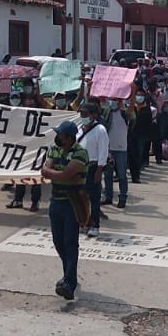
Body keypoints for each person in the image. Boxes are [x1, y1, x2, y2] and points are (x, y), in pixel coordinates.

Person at [42, 121, 89, 300]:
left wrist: (54, 173)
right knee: (58, 242)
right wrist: (58, 174)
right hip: (56, 201)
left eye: (61, 135)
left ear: (69, 138)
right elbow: (45, 170)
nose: (58, 137)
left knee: (70, 242)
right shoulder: (54, 149)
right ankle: (69, 277)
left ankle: (69, 282)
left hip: (73, 203)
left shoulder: (80, 153)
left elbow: (65, 174)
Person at [77, 102, 109, 238]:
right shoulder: (79, 128)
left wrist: (99, 169)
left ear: (93, 115)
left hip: (93, 167)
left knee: (94, 199)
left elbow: (103, 150)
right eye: (81, 113)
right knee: (80, 198)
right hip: (79, 168)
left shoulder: (100, 130)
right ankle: (84, 222)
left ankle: (95, 225)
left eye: (85, 114)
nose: (83, 116)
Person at [102, 97, 131, 209]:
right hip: (109, 149)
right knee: (107, 175)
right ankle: (108, 197)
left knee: (122, 175)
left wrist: (132, 92)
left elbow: (131, 108)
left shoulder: (125, 113)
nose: (113, 102)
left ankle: (122, 198)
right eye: (111, 99)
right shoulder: (107, 113)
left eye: (115, 100)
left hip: (121, 150)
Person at [128, 89, 153, 183]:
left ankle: (136, 176)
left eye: (141, 95)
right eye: (138, 95)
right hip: (130, 135)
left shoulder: (147, 109)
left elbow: (149, 124)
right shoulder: (131, 108)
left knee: (138, 155)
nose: (139, 97)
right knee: (131, 155)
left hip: (141, 135)